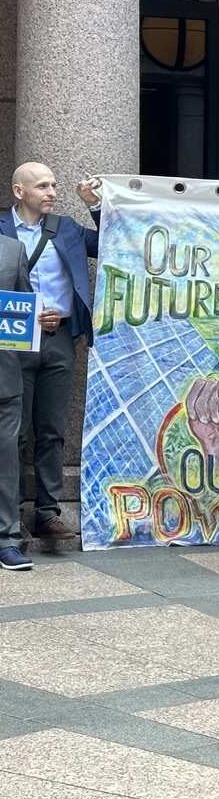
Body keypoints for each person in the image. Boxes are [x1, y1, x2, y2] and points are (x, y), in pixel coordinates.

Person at [0, 163, 102, 542]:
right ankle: (11, 517)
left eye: (55, 185)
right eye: (42, 186)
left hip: (59, 339)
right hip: (12, 342)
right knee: (14, 433)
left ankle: (47, 513)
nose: (52, 192)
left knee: (53, 429)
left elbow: (115, 242)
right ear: (18, 191)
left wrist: (95, 205)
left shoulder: (68, 229)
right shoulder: (1, 231)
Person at [0, 234, 33, 570]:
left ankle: (7, 539)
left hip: (5, 378)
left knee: (6, 462)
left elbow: (22, 308)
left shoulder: (13, 250)